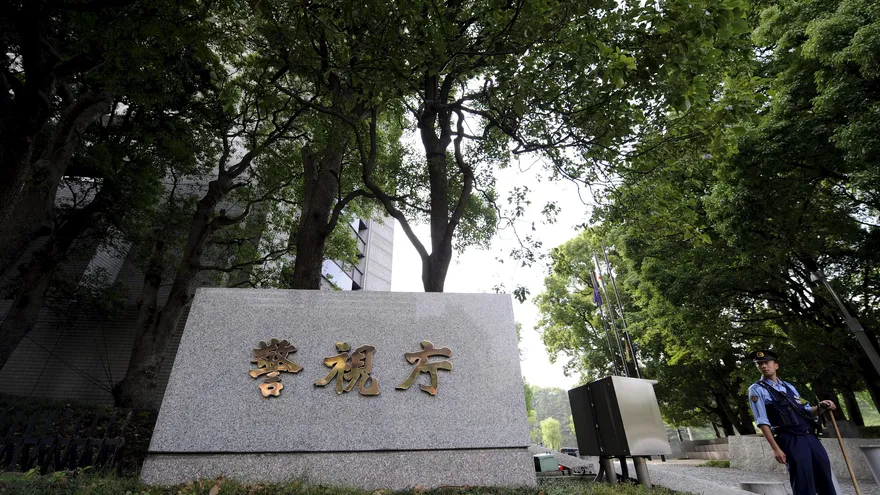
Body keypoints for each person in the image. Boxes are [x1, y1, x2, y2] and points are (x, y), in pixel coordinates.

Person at [747, 349, 838, 495]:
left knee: (824, 473)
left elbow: (807, 410)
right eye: (759, 364)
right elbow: (762, 421)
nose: (763, 366)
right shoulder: (756, 389)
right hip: (790, 438)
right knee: (803, 480)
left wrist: (822, 406)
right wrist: (776, 449)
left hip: (809, 436)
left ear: (776, 365)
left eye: (766, 362)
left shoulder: (789, 387)